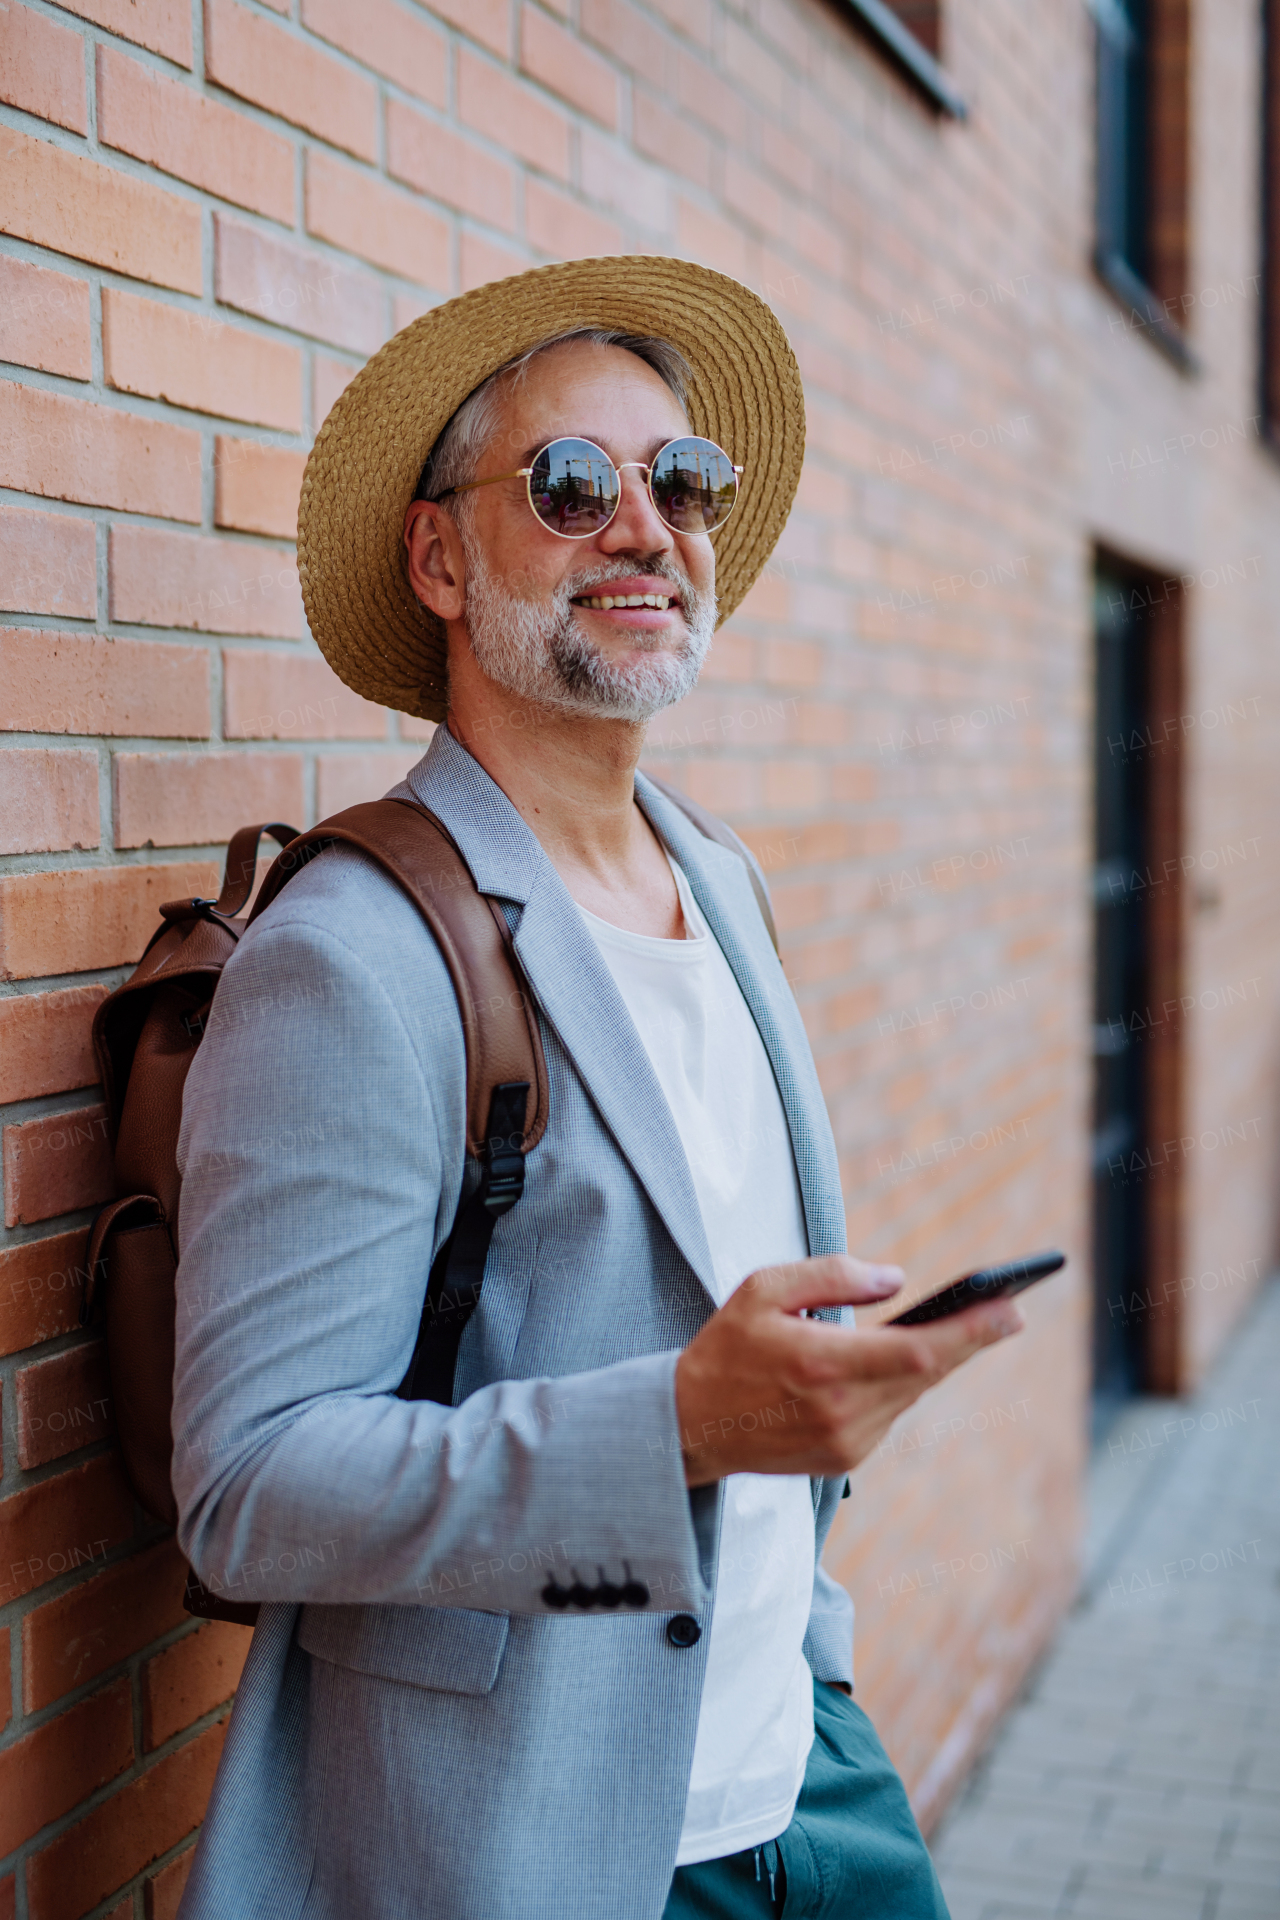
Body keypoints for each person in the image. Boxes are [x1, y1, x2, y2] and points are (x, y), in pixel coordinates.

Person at [173, 258, 1022, 1920]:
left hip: (811, 1770)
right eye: (572, 485)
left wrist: (814, 1639)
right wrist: (680, 1429)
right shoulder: (353, 957)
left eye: (680, 481)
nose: (646, 525)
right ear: (439, 556)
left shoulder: (723, 877)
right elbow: (248, 1493)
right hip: (543, 1845)